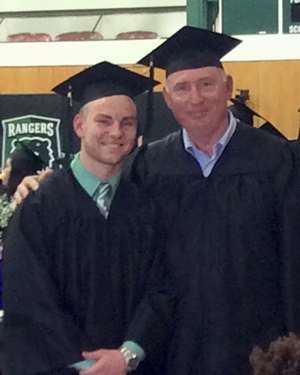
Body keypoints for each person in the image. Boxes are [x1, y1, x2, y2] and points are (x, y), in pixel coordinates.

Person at [13, 27, 300, 375]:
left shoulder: (277, 160)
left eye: (206, 84)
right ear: (167, 98)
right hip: (172, 351)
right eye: (182, 87)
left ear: (227, 87)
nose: (195, 98)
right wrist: (39, 182)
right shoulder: (148, 166)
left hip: (259, 351)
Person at [3, 61, 173, 375]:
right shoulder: (39, 207)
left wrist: (127, 355)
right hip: (59, 368)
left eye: (127, 122)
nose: (116, 132)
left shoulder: (146, 209)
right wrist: (91, 366)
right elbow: (31, 302)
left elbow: (161, 290)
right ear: (80, 126)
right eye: (104, 121)